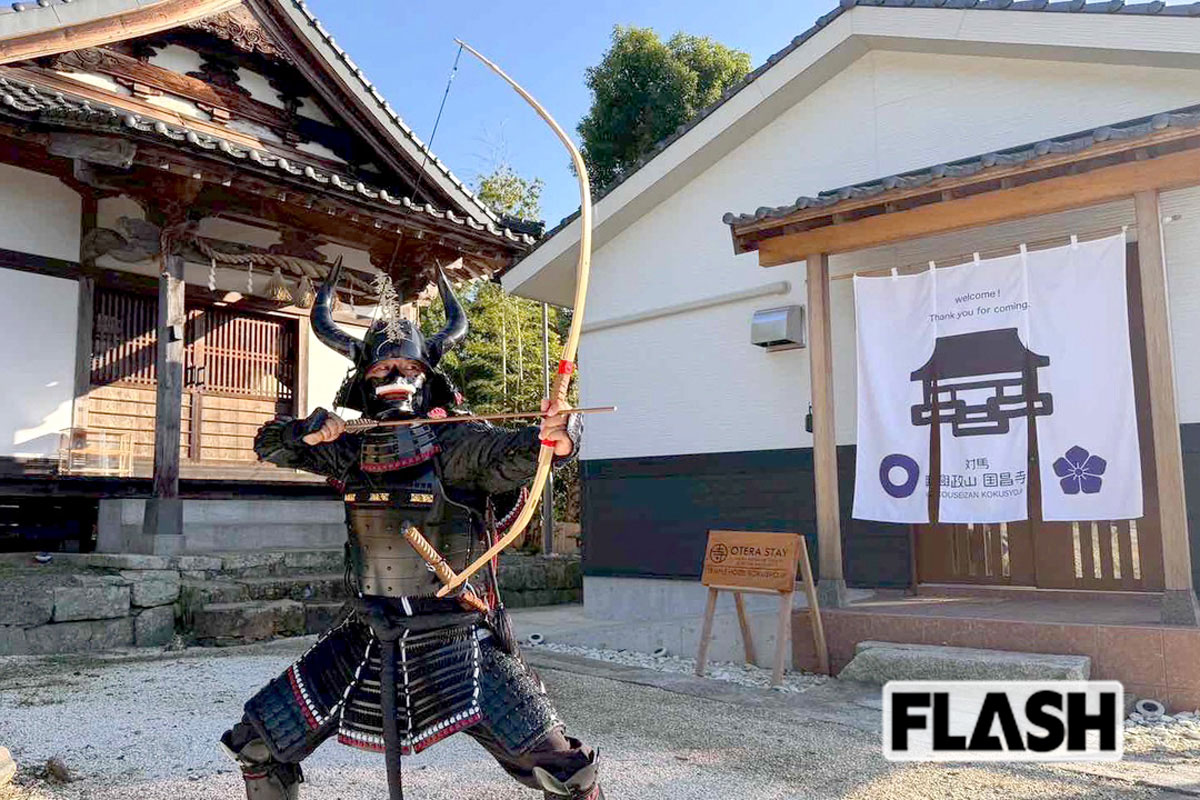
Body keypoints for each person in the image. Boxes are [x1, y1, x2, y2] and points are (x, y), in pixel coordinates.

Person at [218, 261, 602, 800]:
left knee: (565, 772)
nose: (395, 378)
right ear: (363, 383)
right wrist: (306, 431)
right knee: (257, 745)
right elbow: (269, 443)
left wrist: (557, 436)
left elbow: (518, 454)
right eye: (381, 370)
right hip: (367, 634)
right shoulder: (349, 447)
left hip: (457, 639)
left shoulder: (459, 443)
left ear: (429, 377)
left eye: (408, 367)